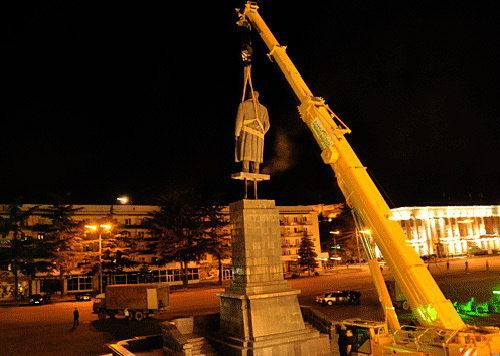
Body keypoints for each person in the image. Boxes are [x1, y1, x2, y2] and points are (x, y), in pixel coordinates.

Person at [235, 90, 270, 174]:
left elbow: (239, 121)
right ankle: (256, 170)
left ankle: (245, 169)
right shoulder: (264, 109)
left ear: (249, 96)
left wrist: (237, 134)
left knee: (246, 153)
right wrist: (261, 133)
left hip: (246, 133)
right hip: (259, 137)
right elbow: (267, 125)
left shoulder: (243, 105)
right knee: (256, 155)